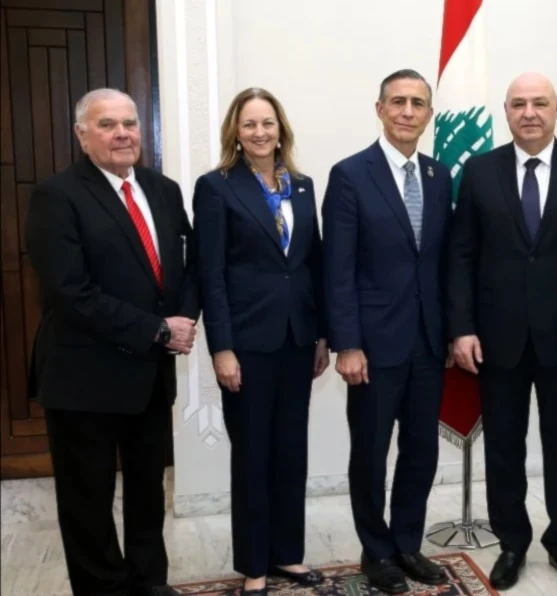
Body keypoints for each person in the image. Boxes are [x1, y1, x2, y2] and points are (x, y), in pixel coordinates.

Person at [447, 72, 557, 591]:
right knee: (503, 447)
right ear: (505, 112)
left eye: (539, 103)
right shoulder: (479, 171)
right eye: (519, 104)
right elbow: (461, 257)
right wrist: (462, 328)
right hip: (497, 340)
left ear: (556, 108)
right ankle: (513, 543)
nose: (529, 112)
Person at [24, 88, 199, 596]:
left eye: (129, 123)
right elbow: (69, 290)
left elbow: (188, 266)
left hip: (148, 376)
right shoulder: (57, 196)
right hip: (84, 378)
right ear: (82, 135)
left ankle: (150, 583)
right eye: (107, 125)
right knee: (88, 503)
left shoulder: (163, 190)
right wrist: (157, 329)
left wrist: (184, 316)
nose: (122, 133)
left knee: (148, 492)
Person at [192, 87, 329, 595]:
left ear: (281, 129)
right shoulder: (217, 187)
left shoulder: (303, 185)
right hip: (246, 344)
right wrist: (221, 348)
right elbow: (212, 275)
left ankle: (286, 554)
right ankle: (253, 564)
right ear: (235, 131)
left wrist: (320, 335)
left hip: (297, 340)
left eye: (268, 123)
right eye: (249, 124)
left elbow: (310, 265)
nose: (260, 132)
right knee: (252, 454)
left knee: (292, 450)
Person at [321, 69, 453, 595]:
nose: (407, 111)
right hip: (372, 346)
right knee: (371, 453)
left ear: (428, 115)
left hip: (427, 342)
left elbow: (441, 262)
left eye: (417, 103)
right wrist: (347, 342)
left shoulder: (440, 176)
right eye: (397, 101)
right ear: (379, 109)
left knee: (422, 450)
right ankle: (376, 552)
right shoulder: (351, 174)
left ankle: (406, 544)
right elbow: (338, 268)